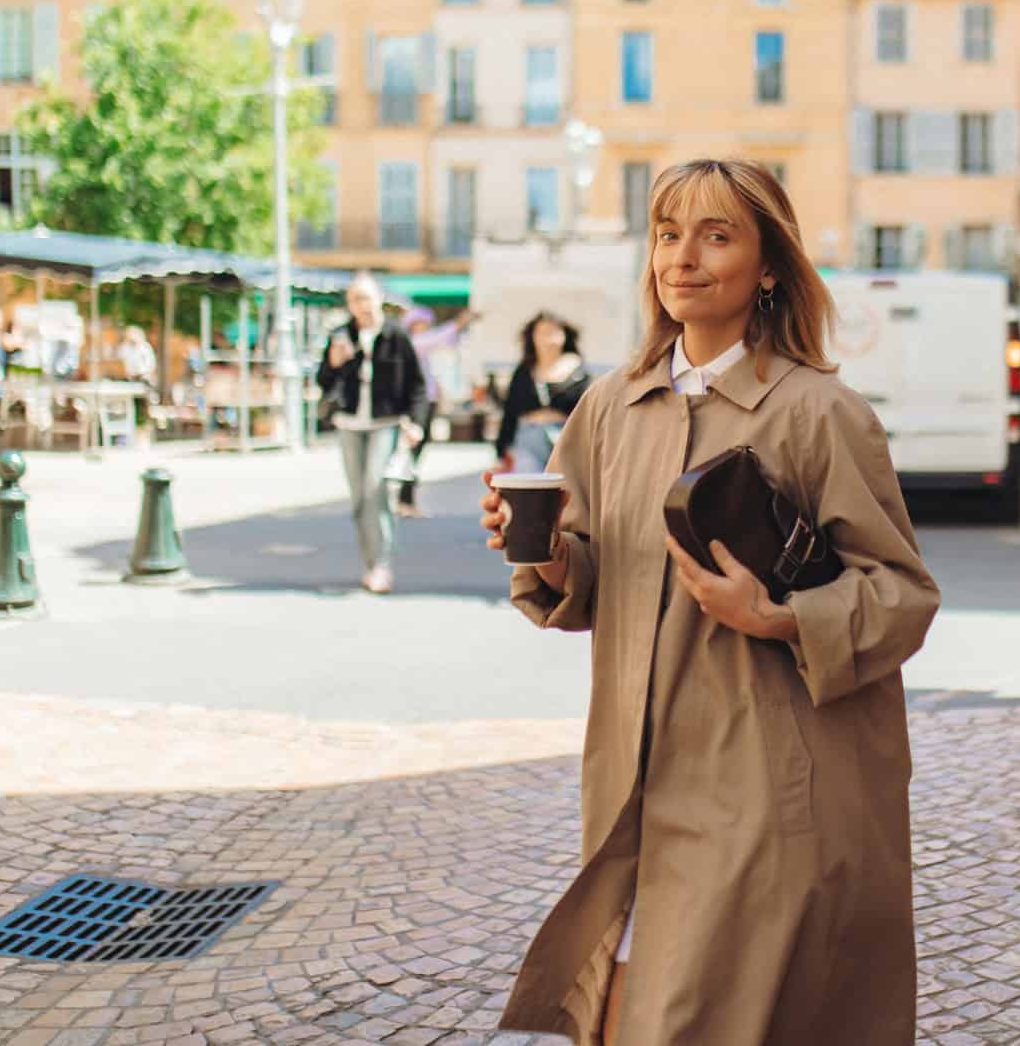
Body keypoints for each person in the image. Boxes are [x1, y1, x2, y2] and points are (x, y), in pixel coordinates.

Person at [479, 159, 941, 1045]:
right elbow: (589, 578)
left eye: (715, 236)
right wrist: (545, 550)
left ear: (768, 267)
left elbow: (902, 594)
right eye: (667, 235)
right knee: (620, 1009)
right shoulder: (612, 407)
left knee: (698, 1017)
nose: (682, 258)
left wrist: (775, 616)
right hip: (634, 782)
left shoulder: (818, 413)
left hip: (764, 790)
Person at [316, 273, 427, 594]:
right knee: (358, 497)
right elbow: (324, 382)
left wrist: (416, 422)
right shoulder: (341, 335)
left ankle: (381, 564)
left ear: (379, 299)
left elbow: (416, 385)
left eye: (366, 297)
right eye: (355, 299)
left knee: (375, 488)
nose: (361, 305)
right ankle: (370, 563)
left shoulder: (396, 335)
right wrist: (334, 363)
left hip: (384, 423)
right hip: (349, 423)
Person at [396, 307, 477, 517]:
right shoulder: (414, 343)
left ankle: (406, 499)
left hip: (428, 402)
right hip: (418, 405)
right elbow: (440, 337)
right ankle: (404, 500)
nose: (426, 327)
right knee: (412, 452)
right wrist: (459, 322)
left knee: (414, 453)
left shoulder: (420, 346)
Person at [495, 310, 591, 473]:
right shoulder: (524, 371)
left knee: (563, 485)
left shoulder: (579, 372)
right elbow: (510, 411)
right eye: (541, 332)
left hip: (565, 438)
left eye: (553, 331)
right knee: (529, 483)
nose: (547, 338)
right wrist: (501, 450)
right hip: (529, 439)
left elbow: (586, 413)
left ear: (564, 335)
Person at [117, 325, 158, 393]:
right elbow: (119, 363)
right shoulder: (124, 347)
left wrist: (143, 374)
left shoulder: (145, 347)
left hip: (143, 377)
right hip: (126, 378)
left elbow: (151, 365)